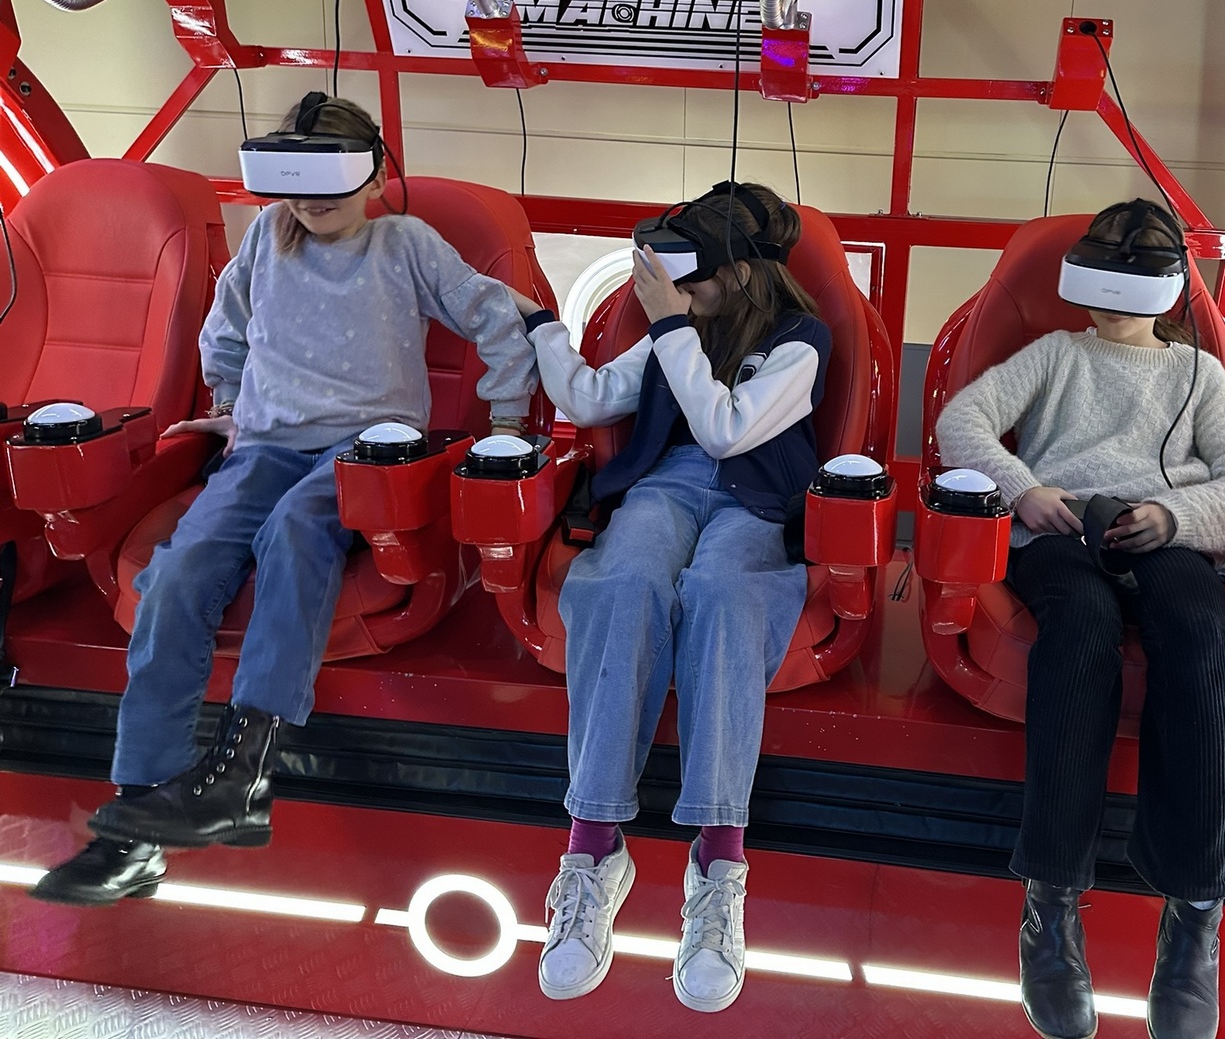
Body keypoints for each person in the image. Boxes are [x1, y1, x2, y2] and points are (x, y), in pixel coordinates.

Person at [30, 94, 536, 907]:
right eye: (293, 183)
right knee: (180, 572)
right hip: (262, 446)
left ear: (371, 173)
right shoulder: (267, 236)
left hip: (363, 452)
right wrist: (229, 404)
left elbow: (496, 318)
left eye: (326, 180)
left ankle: (244, 778)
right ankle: (136, 821)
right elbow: (224, 330)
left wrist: (507, 419)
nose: (309, 201)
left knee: (299, 528)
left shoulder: (404, 244)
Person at [935, 199, 1225, 1039]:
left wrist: (1174, 517)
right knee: (1080, 633)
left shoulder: (1198, 375)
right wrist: (1026, 492)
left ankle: (1194, 916)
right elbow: (960, 422)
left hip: (1166, 534)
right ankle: (1050, 905)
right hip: (1063, 532)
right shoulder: (1057, 354)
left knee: (1197, 637)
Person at [514, 182, 828, 1014]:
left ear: (744, 272)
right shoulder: (672, 332)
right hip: (667, 485)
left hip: (758, 497)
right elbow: (589, 397)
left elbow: (728, 428)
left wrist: (672, 329)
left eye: (694, 277)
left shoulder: (801, 342)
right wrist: (543, 325)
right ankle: (592, 850)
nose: (678, 292)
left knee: (725, 595)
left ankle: (719, 862)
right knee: (620, 583)